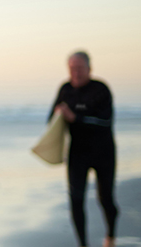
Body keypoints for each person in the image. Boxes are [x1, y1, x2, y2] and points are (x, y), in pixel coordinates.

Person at [50, 51, 119, 247]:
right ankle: (82, 244)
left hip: (103, 153)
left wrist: (75, 118)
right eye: (72, 69)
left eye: (80, 68)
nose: (76, 73)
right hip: (77, 153)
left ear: (90, 69)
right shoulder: (65, 90)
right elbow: (51, 121)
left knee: (105, 198)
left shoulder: (100, 89)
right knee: (76, 200)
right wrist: (58, 116)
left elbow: (105, 121)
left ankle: (110, 237)